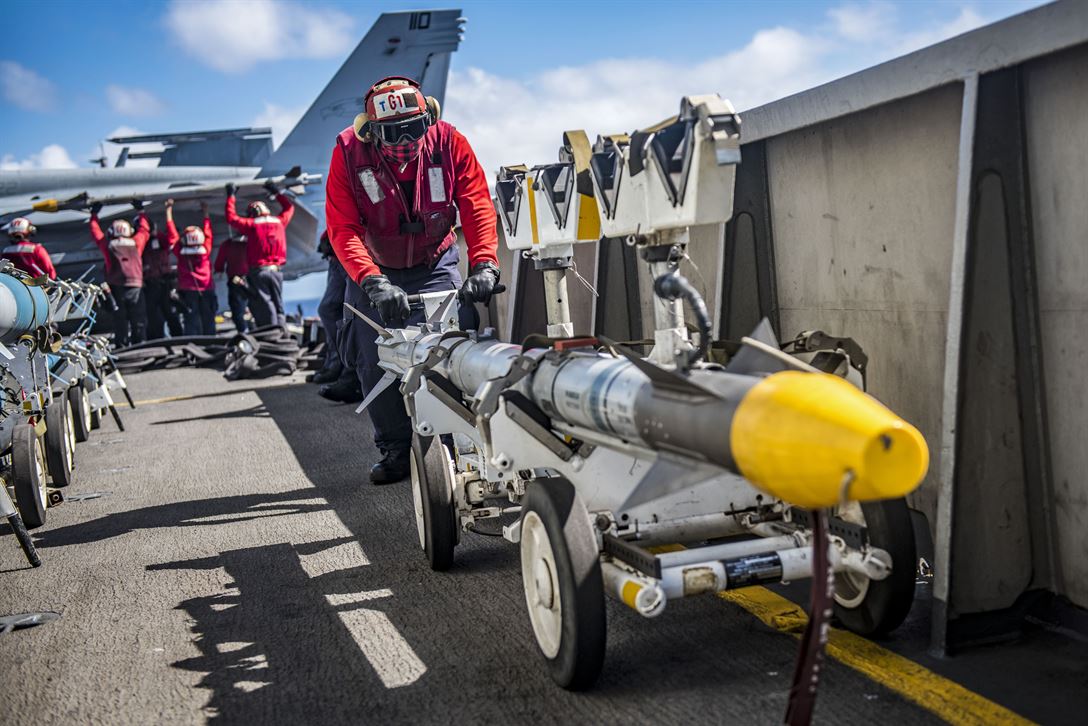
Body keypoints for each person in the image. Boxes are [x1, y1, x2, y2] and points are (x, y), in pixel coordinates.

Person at [326, 76, 501, 484]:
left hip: (435, 260)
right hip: (377, 269)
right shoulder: (348, 153)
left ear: (430, 118)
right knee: (374, 357)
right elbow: (343, 227)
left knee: (457, 347)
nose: (406, 140)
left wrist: (485, 265)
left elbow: (476, 203)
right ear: (371, 132)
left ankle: (462, 442)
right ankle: (395, 450)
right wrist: (372, 282)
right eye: (393, 133)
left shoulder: (449, 142)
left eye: (415, 127)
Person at [224, 181, 293, 327]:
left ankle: (272, 336)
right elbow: (289, 208)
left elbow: (231, 218)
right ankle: (282, 333)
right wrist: (276, 192)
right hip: (276, 272)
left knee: (265, 306)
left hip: (259, 273)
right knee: (278, 305)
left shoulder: (252, 226)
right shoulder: (279, 222)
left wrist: (231, 195)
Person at [89, 200, 150, 347]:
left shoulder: (108, 245)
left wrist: (94, 215)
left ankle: (122, 347)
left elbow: (96, 233)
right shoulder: (136, 242)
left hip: (116, 287)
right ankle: (140, 346)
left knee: (120, 320)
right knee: (138, 319)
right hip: (135, 286)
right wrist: (141, 212)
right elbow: (144, 230)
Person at [312, 229, 362, 401]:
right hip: (336, 251)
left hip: (354, 249)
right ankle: (336, 363)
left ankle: (352, 378)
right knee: (328, 309)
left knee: (355, 312)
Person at [166, 199, 217, 335]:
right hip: (207, 288)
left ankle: (193, 344)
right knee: (209, 319)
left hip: (189, 290)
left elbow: (172, 236)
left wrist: (168, 210)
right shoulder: (206, 249)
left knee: (190, 319)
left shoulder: (181, 252)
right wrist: (206, 212)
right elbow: (208, 232)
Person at [144, 217, 182, 339]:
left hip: (165, 282)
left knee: (170, 312)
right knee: (153, 314)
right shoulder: (142, 243)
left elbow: (171, 240)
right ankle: (155, 338)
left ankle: (178, 337)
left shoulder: (162, 241)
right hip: (150, 283)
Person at [213, 232, 253, 333]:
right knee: (255, 304)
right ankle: (252, 330)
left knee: (237, 310)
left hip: (236, 280)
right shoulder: (251, 242)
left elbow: (219, 262)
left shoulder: (228, 245)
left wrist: (219, 269)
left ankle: (244, 331)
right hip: (250, 278)